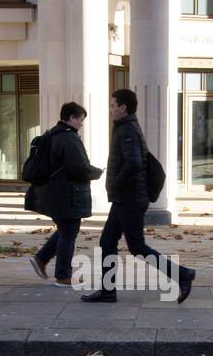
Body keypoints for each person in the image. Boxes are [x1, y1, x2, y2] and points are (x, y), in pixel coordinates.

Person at [81, 88, 196, 304]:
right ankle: (108, 291)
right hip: (126, 198)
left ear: (123, 107)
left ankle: (183, 275)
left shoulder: (127, 130)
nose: (111, 109)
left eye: (113, 105)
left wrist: (115, 183)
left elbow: (134, 163)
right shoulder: (126, 127)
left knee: (136, 247)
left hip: (130, 198)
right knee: (107, 240)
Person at [27, 102, 103, 288]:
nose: (82, 124)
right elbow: (78, 168)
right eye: (80, 119)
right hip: (66, 194)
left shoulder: (53, 134)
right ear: (71, 118)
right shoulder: (68, 138)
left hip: (54, 193)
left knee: (65, 230)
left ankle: (41, 260)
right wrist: (96, 172)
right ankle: (62, 276)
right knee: (69, 232)